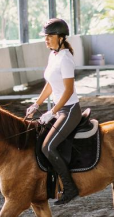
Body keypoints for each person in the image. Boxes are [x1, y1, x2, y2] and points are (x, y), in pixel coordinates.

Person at [26, 18, 81, 205]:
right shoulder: (53, 56)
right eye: (45, 37)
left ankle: (70, 187)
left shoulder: (65, 58)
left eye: (50, 36)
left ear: (60, 37)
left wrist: (52, 111)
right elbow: (50, 85)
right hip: (59, 110)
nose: (46, 40)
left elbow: (68, 90)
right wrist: (36, 104)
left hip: (69, 110)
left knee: (48, 147)